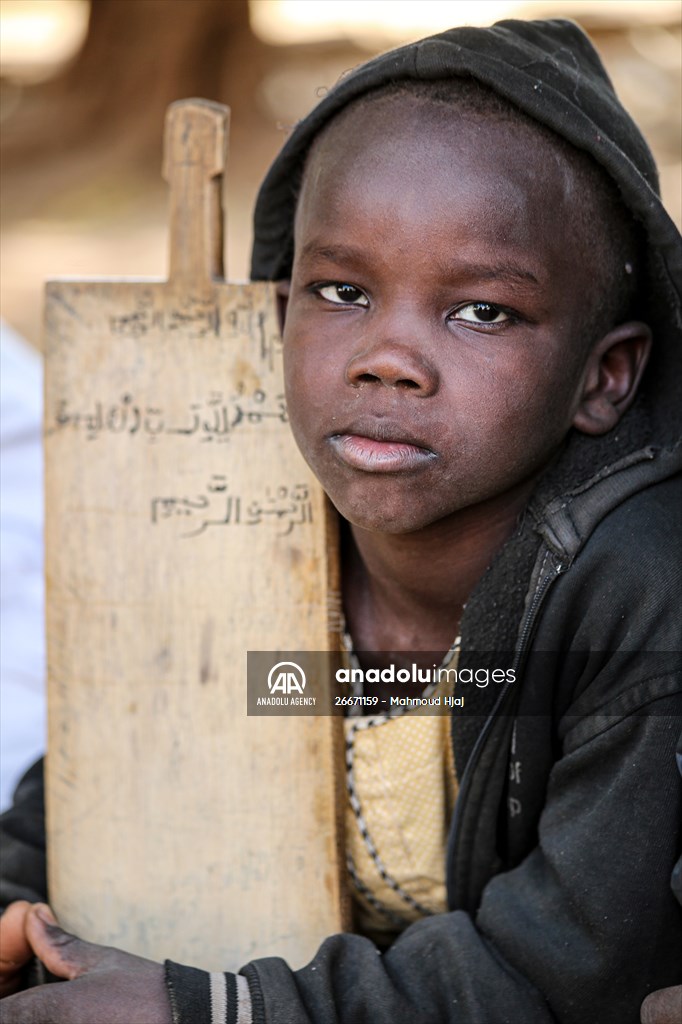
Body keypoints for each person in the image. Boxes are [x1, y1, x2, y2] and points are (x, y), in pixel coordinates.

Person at [0, 17, 680, 1024]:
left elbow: (566, 969)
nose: (386, 357)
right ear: (279, 313)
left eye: (481, 310)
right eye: (342, 290)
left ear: (604, 377)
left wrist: (215, 1010)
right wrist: (19, 897)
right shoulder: (245, 518)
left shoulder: (639, 591)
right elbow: (99, 765)